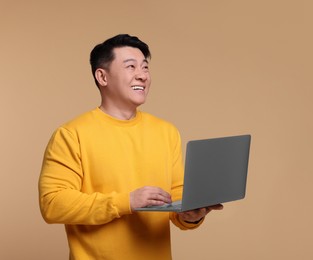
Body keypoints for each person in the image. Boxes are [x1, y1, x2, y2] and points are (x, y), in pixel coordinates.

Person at [38, 34, 223, 260]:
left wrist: (191, 215)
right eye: (131, 66)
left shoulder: (166, 131)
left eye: (145, 67)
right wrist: (126, 202)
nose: (142, 75)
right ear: (102, 76)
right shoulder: (71, 134)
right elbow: (53, 203)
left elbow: (175, 199)